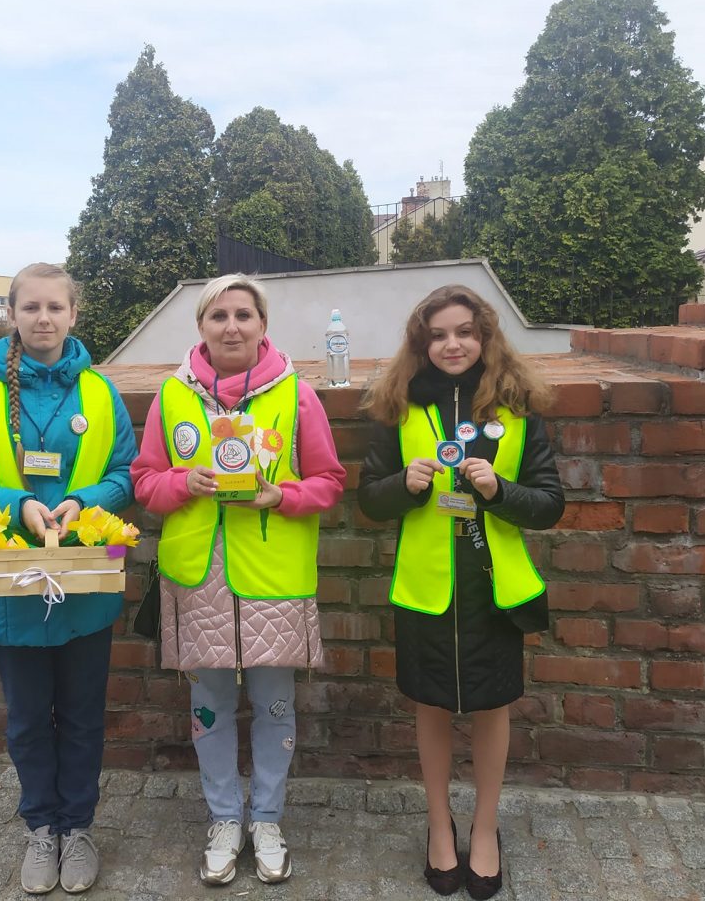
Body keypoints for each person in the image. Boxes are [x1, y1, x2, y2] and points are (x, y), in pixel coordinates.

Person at [131, 274, 345, 887]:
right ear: (201, 326)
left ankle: (268, 820)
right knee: (210, 707)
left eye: (243, 315)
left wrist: (281, 495)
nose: (231, 327)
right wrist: (183, 483)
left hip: (273, 577)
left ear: (262, 324)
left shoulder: (297, 394)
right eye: (218, 316)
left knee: (276, 705)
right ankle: (225, 818)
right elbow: (145, 481)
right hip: (198, 576)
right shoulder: (173, 395)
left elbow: (329, 482)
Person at [357, 285, 563, 899]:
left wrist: (499, 491)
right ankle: (439, 825)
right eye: (439, 335)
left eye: (465, 332)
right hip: (425, 590)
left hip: (494, 590)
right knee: (431, 707)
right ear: (422, 343)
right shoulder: (399, 408)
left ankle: (485, 827)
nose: (452, 344)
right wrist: (405, 484)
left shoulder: (517, 409)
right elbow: (369, 500)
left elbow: (550, 504)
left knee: (493, 707)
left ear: (485, 337)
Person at [0, 262, 137, 895]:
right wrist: (15, 504)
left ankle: (77, 828)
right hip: (12, 585)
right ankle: (41, 828)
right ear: (13, 315)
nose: (44, 318)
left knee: (82, 717)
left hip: (83, 583)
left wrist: (83, 501)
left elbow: (127, 474)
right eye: (31, 308)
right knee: (26, 720)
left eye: (55, 307)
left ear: (74, 314)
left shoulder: (99, 393)